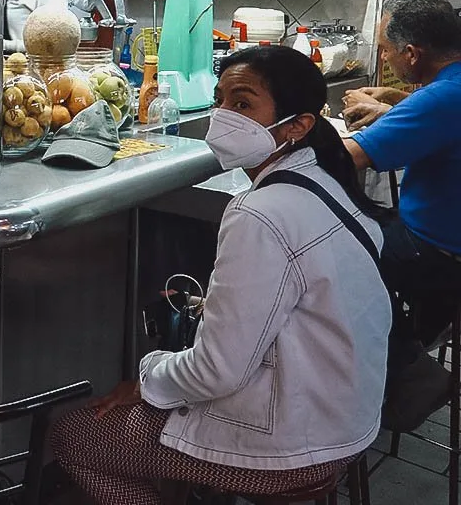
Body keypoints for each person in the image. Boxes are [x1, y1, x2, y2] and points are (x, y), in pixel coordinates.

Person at [51, 45, 390, 505]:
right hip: (347, 420)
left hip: (291, 448)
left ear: (297, 126)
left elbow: (217, 371)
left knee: (77, 438)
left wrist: (147, 379)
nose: (223, 116)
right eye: (221, 100)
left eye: (243, 104)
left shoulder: (260, 213)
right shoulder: (329, 184)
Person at [345, 0, 461, 290]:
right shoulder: (446, 89)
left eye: (385, 49)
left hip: (435, 250)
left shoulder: (439, 98)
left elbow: (347, 157)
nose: (384, 56)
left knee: (335, 248)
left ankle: (392, 334)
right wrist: (396, 101)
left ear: (411, 53)